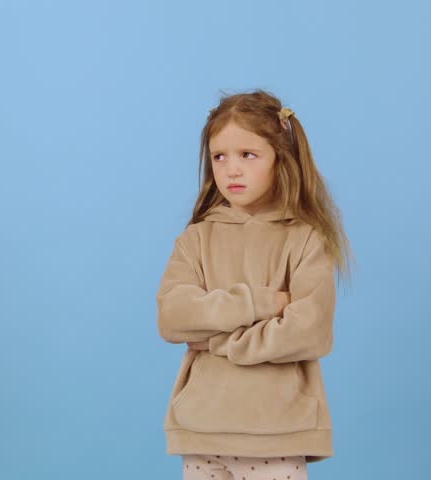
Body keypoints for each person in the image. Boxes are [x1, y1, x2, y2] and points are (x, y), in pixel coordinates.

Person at [156, 89, 353, 479]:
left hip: (277, 432)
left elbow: (308, 332)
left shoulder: (306, 239)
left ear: (281, 159)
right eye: (219, 157)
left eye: (248, 154)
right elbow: (172, 317)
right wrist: (263, 304)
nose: (231, 170)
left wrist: (216, 340)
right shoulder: (195, 239)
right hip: (202, 430)